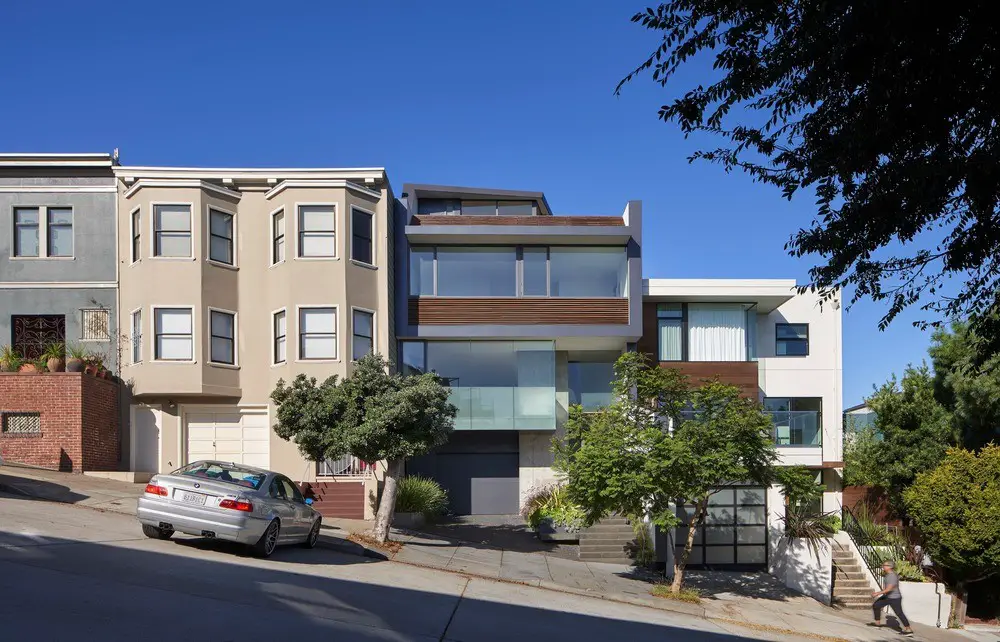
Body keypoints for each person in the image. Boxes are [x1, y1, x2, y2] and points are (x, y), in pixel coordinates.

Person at [870, 560, 914, 636]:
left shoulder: (892, 576)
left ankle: (908, 629)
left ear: (890, 567)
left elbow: (889, 589)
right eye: (883, 565)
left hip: (894, 598)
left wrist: (877, 593)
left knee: (899, 613)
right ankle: (877, 624)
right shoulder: (888, 574)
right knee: (876, 605)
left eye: (885, 565)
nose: (883, 566)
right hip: (887, 596)